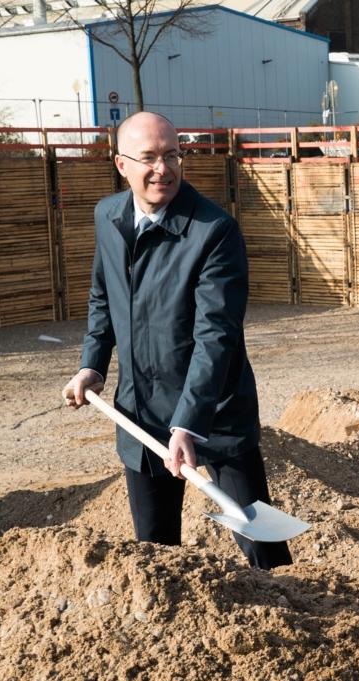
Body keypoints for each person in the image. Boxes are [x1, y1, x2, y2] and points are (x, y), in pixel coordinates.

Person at [61, 111, 288, 570]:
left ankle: (302, 611)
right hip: (141, 411)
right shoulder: (108, 216)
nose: (162, 169)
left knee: (261, 539)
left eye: (172, 156)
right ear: (121, 164)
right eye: (148, 158)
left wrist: (188, 424)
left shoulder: (213, 231)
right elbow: (103, 297)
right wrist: (93, 364)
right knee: (155, 551)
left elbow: (216, 336)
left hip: (215, 411)